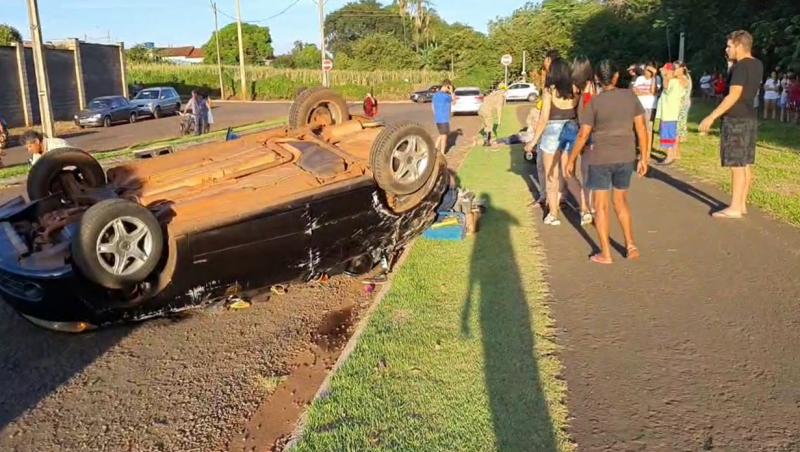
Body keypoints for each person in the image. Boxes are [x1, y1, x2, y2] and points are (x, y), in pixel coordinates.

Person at [565, 59, 650, 264]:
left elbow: (583, 135)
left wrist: (571, 159)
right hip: (626, 156)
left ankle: (606, 253)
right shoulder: (630, 97)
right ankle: (631, 245)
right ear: (616, 76)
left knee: (601, 207)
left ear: (597, 79)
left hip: (600, 158)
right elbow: (641, 129)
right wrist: (644, 157)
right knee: (621, 202)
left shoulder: (594, 103)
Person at [699, 30, 764, 219]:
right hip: (749, 117)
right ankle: (741, 203)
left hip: (736, 119)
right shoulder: (756, 64)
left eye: (729, 46)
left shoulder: (741, 67)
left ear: (738, 45)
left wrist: (711, 116)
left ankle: (735, 207)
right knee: (744, 164)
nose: (726, 49)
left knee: (736, 164)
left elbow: (733, 94)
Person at [526, 59, 579, 226]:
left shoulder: (549, 91)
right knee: (567, 173)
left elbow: (543, 119)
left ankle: (553, 213)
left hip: (552, 132)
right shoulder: (575, 90)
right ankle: (582, 207)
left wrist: (533, 141)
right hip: (571, 130)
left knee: (551, 176)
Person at [656, 62, 687, 165]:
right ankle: (674, 154)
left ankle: (669, 157)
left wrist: (665, 76)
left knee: (669, 136)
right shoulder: (674, 80)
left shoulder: (678, 80)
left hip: (671, 112)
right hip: (669, 112)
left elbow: (666, 87)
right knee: (672, 135)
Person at [631, 64, 657, 153]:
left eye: (649, 71)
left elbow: (653, 92)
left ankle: (647, 151)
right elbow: (634, 91)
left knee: (648, 129)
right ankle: (640, 147)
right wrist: (646, 92)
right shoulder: (640, 79)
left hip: (650, 106)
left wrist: (654, 76)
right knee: (638, 127)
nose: (646, 72)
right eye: (645, 70)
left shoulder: (656, 79)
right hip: (639, 105)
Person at [432, 80, 453, 154]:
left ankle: (435, 148)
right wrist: (451, 91)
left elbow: (433, 106)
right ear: (447, 86)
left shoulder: (435, 95)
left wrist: (436, 114)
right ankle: (442, 153)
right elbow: (453, 100)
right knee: (444, 137)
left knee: (441, 134)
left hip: (438, 118)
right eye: (449, 87)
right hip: (444, 119)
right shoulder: (446, 96)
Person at [675, 62, 693, 143]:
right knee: (680, 119)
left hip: (683, 102)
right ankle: (680, 135)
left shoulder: (684, 77)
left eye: (676, 68)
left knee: (681, 119)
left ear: (682, 68)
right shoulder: (683, 76)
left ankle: (682, 136)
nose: (674, 70)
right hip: (681, 101)